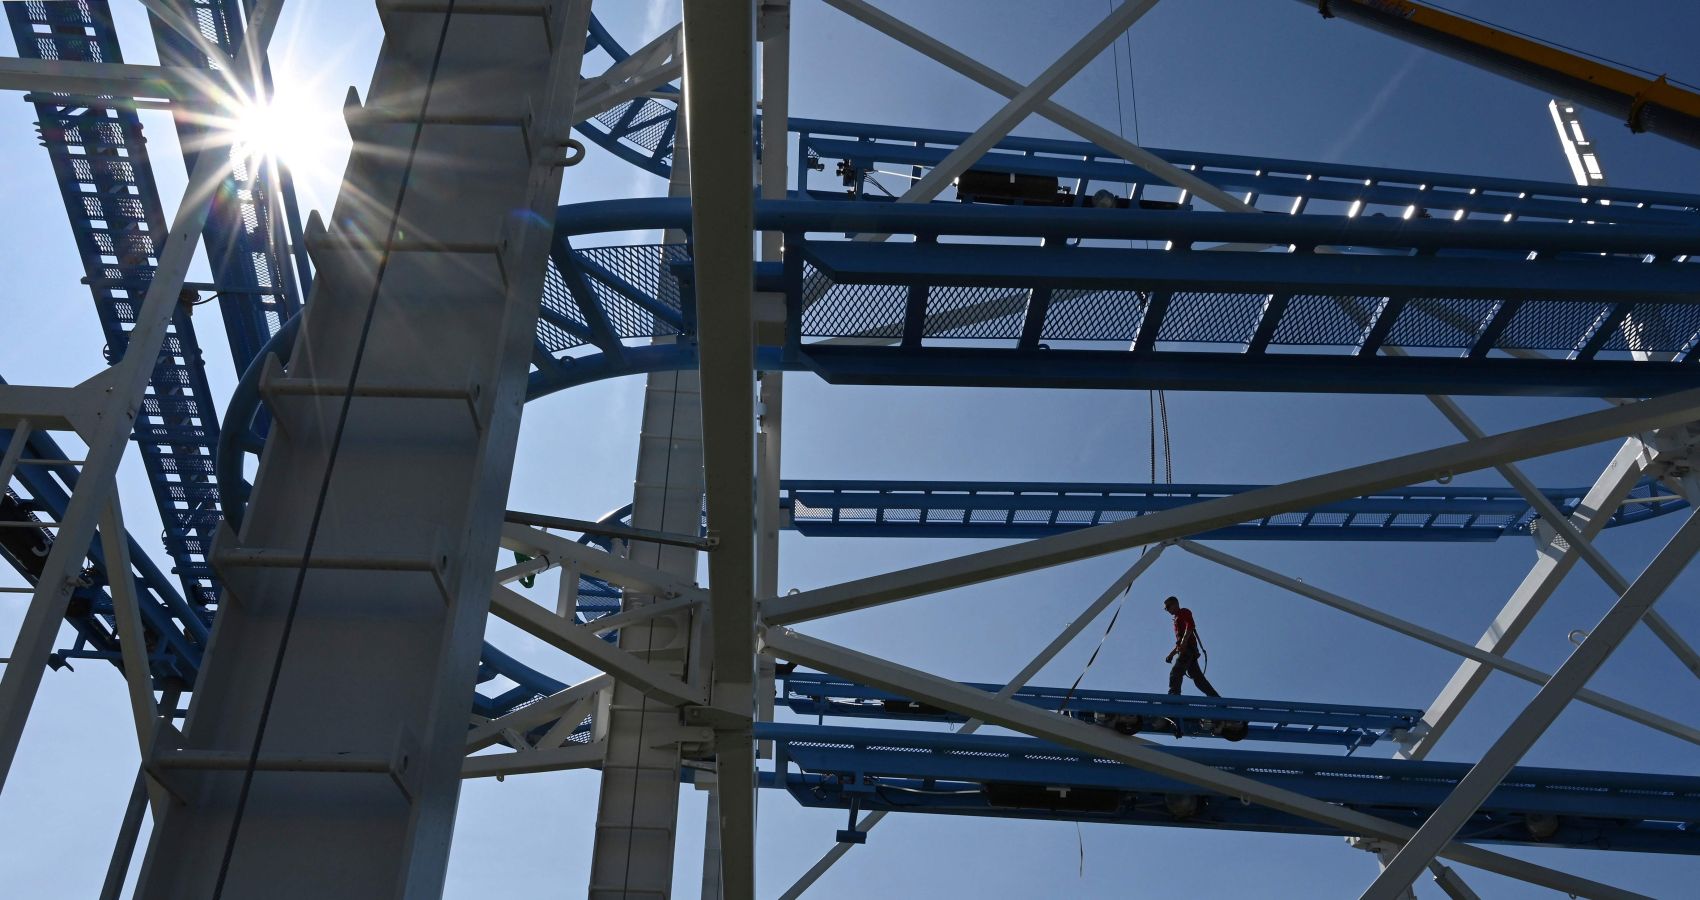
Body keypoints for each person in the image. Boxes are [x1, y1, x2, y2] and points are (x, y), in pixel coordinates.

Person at [1163, 595, 1219, 698]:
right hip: (1189, 651)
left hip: (1188, 650)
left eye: (1168, 607)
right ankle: (1215, 698)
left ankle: (1174, 696)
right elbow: (1180, 643)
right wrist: (1171, 654)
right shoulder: (1176, 619)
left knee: (1176, 672)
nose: (1167, 610)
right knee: (1198, 678)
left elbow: (1190, 626)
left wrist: (1184, 643)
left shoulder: (1183, 612)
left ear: (1175, 604)